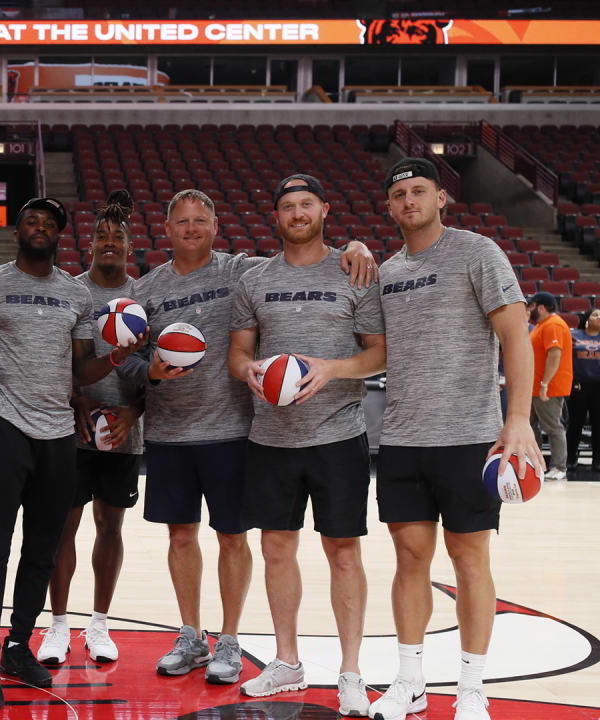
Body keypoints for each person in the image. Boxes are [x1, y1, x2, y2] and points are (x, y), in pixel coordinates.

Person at [120, 188, 379, 687]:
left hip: (237, 430)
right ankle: (191, 633)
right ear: (166, 228)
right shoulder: (147, 289)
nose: (191, 229)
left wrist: (358, 246)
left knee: (233, 538)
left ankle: (231, 639)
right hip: (172, 432)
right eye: (182, 222)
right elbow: (128, 361)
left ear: (216, 226)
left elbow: (304, 253)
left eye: (201, 220)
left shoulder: (242, 270)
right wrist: (149, 370)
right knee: (181, 537)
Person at [370, 158, 542, 720]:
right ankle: (411, 680)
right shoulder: (388, 272)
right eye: (398, 194)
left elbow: (517, 335)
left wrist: (516, 418)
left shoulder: (477, 252)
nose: (408, 201)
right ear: (390, 207)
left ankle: (472, 687)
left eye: (419, 191)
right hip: (402, 437)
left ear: (441, 198)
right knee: (409, 558)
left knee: (470, 559)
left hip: (470, 437)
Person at [0, 196, 143, 710]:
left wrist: (115, 360)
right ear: (18, 229)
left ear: (61, 234)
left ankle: (19, 645)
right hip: (3, 428)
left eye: (48, 222)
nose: (39, 227)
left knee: (42, 547)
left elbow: (80, 370)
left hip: (59, 434)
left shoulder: (75, 295)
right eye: (31, 220)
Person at [227, 174, 385, 717]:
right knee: (276, 549)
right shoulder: (254, 279)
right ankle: (288, 663)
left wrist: (330, 370)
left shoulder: (354, 269)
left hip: (337, 433)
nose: (297, 213)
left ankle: (350, 672)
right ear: (276, 216)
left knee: (343, 552)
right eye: (287, 206)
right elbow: (237, 354)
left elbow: (378, 355)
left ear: (324, 209)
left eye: (306, 204)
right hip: (270, 437)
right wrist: (250, 370)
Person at [39, 190, 145, 666]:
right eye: (100, 235)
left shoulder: (142, 295)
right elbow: (56, 362)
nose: (108, 242)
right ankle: (58, 624)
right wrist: (74, 397)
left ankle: (98, 623)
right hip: (72, 428)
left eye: (116, 235)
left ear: (129, 243)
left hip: (124, 431)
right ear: (87, 244)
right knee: (64, 525)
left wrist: (134, 411)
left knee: (111, 525)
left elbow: (155, 365)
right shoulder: (72, 291)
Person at [527, 291, 573, 481]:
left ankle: (559, 467)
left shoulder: (553, 325)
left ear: (541, 307)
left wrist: (545, 383)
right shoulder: (541, 325)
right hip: (536, 386)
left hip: (548, 388)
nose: (529, 310)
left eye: (531, 306)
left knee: (553, 427)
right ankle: (535, 462)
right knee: (531, 425)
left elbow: (555, 355)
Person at [566, 307, 600, 471]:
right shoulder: (574, 335)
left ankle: (598, 461)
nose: (599, 317)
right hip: (578, 385)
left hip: (598, 386)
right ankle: (570, 459)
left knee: (598, 425)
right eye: (595, 314)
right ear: (587, 319)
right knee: (575, 423)